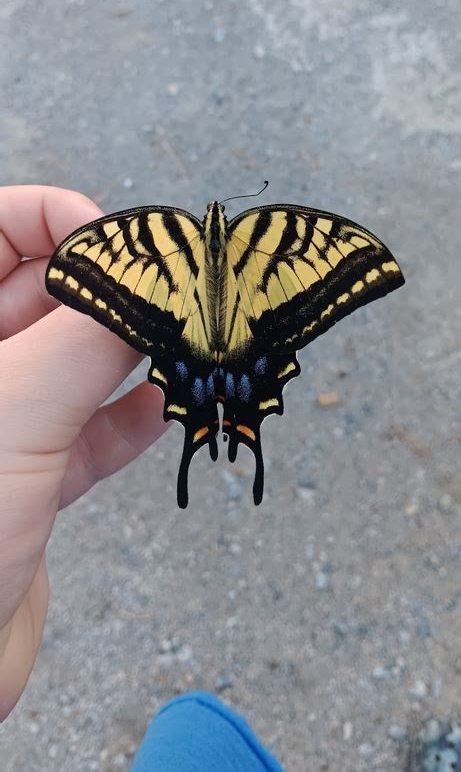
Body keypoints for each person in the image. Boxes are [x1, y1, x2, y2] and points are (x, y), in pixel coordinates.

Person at [0, 184, 284, 771]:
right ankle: (232, 427)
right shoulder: (263, 240)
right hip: (240, 338)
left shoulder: (153, 240)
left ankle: (214, 424)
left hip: (200, 340)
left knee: (189, 722)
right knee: (190, 721)